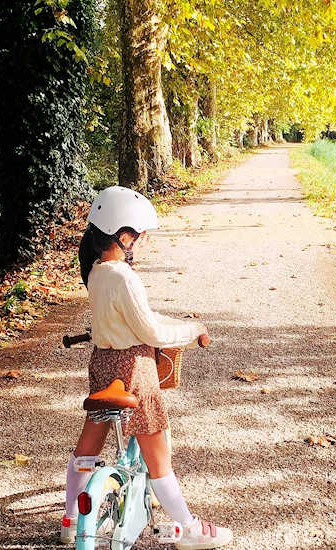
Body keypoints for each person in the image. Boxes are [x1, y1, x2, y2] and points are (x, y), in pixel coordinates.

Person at [60, 186, 232, 549]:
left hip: (103, 365)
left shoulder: (96, 272)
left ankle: (71, 518)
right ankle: (188, 528)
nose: (142, 243)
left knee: (89, 441)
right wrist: (192, 329)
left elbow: (128, 317)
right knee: (159, 459)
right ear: (123, 236)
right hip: (135, 368)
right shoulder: (125, 277)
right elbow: (149, 330)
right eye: (139, 236)